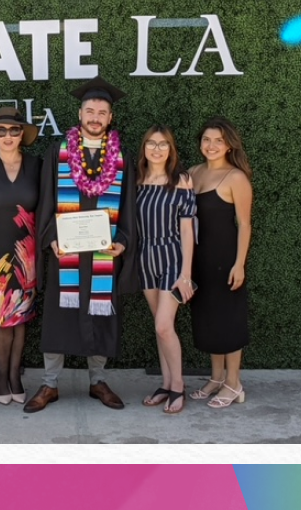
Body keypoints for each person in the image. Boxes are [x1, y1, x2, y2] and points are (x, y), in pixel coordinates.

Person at [24, 76, 138, 413]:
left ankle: (97, 380)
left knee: (100, 314)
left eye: (102, 112)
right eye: (90, 110)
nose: (95, 116)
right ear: (79, 112)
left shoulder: (121, 157)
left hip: (103, 253)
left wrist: (124, 241)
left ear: (110, 118)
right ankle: (49, 384)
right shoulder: (57, 153)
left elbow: (129, 205)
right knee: (60, 316)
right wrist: (51, 239)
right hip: (67, 253)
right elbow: (44, 202)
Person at [0, 107, 42, 405]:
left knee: (21, 318)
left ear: (22, 135)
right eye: (0, 130)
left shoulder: (37, 166)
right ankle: (1, 376)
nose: (7, 136)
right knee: (3, 319)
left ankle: (16, 375)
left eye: (14, 130)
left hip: (27, 255)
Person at [187, 116, 253, 409]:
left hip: (226, 260)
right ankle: (215, 378)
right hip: (199, 261)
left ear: (228, 145)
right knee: (208, 321)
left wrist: (240, 264)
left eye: (218, 140)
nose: (211, 145)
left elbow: (245, 224)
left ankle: (234, 383)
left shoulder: (235, 177)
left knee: (229, 322)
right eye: (206, 139)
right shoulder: (192, 173)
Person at [136, 125, 196, 415]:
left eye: (163, 144)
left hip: (172, 256)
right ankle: (165, 383)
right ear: (144, 148)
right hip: (145, 257)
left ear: (171, 150)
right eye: (151, 143)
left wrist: (186, 274)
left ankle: (178, 386)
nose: (157, 149)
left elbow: (187, 231)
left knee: (163, 325)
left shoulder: (181, 180)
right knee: (160, 328)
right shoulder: (137, 180)